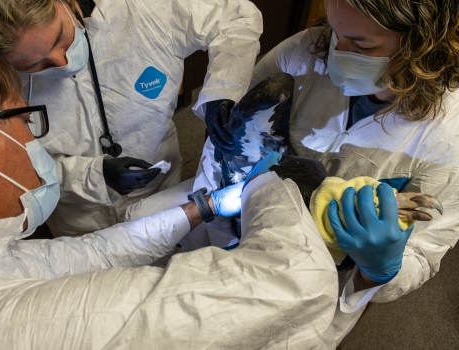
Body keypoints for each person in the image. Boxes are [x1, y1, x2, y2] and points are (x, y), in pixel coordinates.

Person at [0, 56, 338, 349]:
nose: (34, 143)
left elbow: (92, 255)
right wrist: (267, 182)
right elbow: (294, 285)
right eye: (26, 122)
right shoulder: (7, 322)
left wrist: (206, 207)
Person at [192, 0, 459, 346]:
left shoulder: (447, 134)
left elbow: (423, 254)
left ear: (421, 44)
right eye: (335, 32)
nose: (335, 52)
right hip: (233, 233)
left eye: (361, 45)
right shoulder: (302, 52)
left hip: (317, 287)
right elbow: (233, 140)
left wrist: (380, 270)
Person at [0, 0, 263, 237]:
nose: (62, 62)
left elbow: (235, 17)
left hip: (160, 183)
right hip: (79, 216)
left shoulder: (142, 10)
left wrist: (222, 92)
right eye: (34, 65)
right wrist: (95, 175)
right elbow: (18, 166)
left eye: (59, 38)